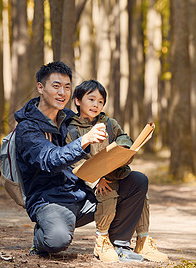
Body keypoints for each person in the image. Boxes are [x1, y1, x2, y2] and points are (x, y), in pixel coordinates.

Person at [14, 61, 155, 262]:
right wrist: (85, 140)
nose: (62, 92)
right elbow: (50, 160)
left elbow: (102, 134)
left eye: (67, 87)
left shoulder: (70, 118)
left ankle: (117, 245)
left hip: (84, 192)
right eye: (56, 86)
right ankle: (41, 237)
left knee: (137, 181)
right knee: (57, 240)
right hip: (51, 200)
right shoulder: (28, 129)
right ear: (40, 88)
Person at [66, 80, 168, 262]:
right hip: (88, 180)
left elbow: (123, 138)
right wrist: (96, 180)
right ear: (77, 100)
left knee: (140, 181)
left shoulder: (110, 123)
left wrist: (126, 151)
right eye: (91, 99)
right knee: (108, 188)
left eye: (100, 101)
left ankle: (142, 240)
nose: (96, 105)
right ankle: (102, 240)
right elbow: (74, 161)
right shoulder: (71, 128)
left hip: (115, 172)